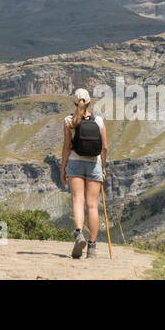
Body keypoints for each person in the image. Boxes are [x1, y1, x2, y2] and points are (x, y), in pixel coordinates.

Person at [61, 87, 107, 259]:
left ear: (75, 102)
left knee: (77, 200)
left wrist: (63, 168)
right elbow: (105, 148)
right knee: (93, 205)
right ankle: (92, 247)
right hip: (94, 164)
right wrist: (102, 167)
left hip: (75, 162)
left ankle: (79, 234)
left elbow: (66, 147)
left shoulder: (68, 121)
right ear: (90, 102)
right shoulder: (100, 122)